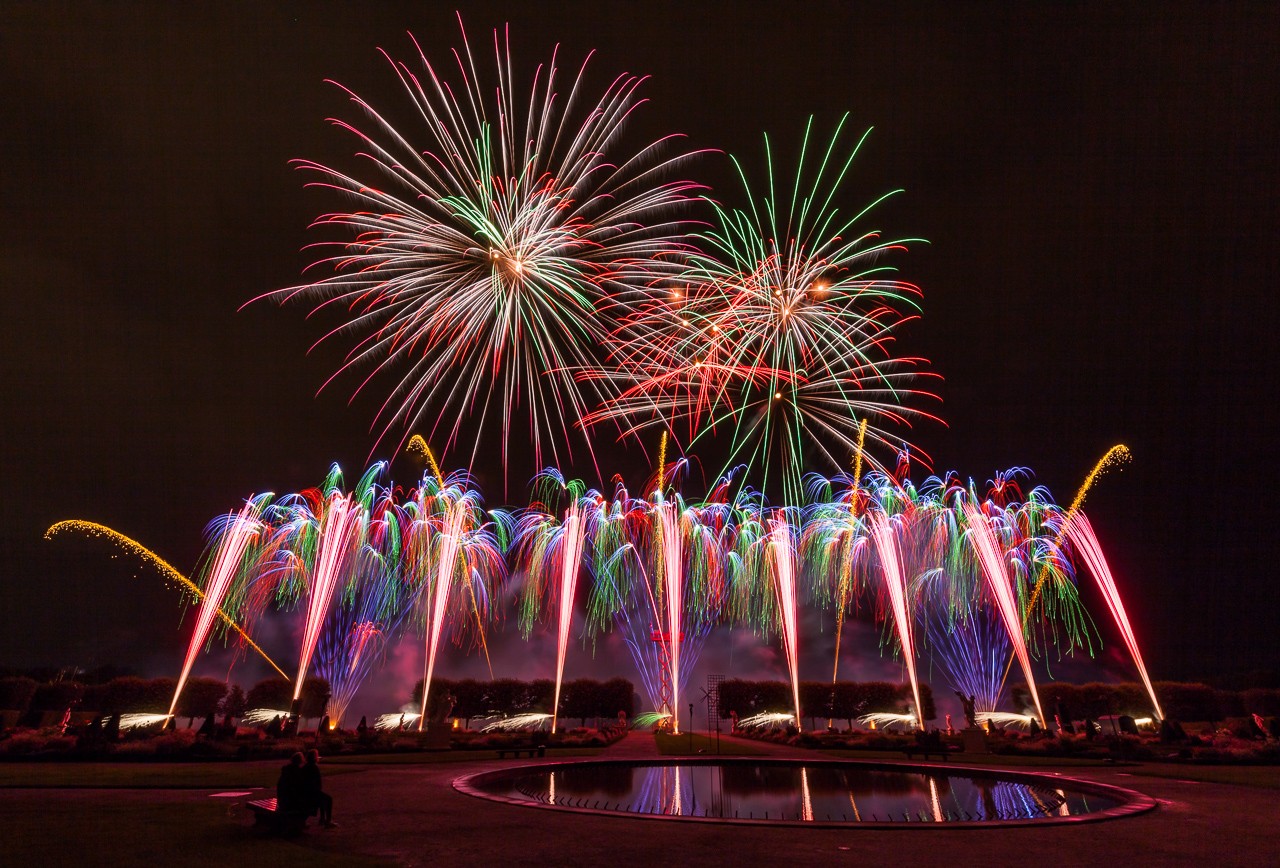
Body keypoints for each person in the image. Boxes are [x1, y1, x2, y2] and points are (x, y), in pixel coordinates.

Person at [302, 749, 335, 828]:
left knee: (322, 799)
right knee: (328, 799)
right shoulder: (314, 767)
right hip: (312, 792)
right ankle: (328, 821)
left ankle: (323, 819)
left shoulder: (306, 766)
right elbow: (316, 782)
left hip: (307, 792)